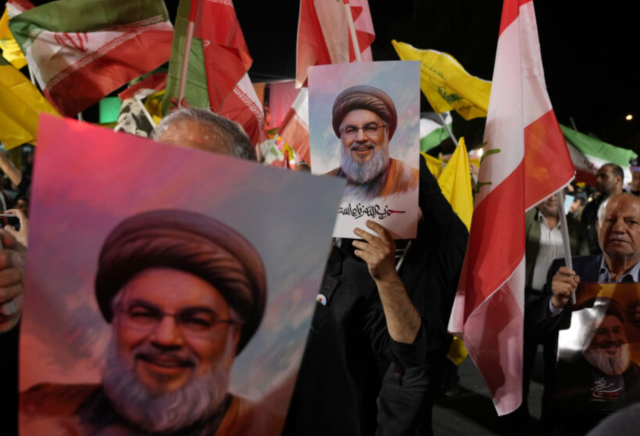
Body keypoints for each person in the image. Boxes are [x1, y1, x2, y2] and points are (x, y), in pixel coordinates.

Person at [20, 210, 283, 436]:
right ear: (115, 321)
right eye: (143, 314)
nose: (166, 338)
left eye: (197, 321)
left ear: (234, 337)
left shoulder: (270, 428)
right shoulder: (40, 407)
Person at [527, 193, 640, 435]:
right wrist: (554, 304)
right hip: (568, 416)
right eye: (610, 220)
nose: (619, 228)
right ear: (598, 227)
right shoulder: (567, 269)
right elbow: (533, 332)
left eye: (631, 222)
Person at [324, 85, 419, 201]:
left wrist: (420, 216)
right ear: (341, 135)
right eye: (351, 130)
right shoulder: (324, 185)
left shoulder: (414, 180)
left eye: (371, 128)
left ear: (386, 132)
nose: (360, 138)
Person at [551, 298, 640, 410]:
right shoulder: (569, 372)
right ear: (584, 337)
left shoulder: (635, 371)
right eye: (601, 332)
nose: (612, 339)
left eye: (617, 330)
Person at [581, 164, 624, 254]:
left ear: (618, 180)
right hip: (591, 263)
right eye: (597, 176)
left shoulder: (634, 207)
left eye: (604, 176)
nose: (598, 180)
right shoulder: (590, 207)